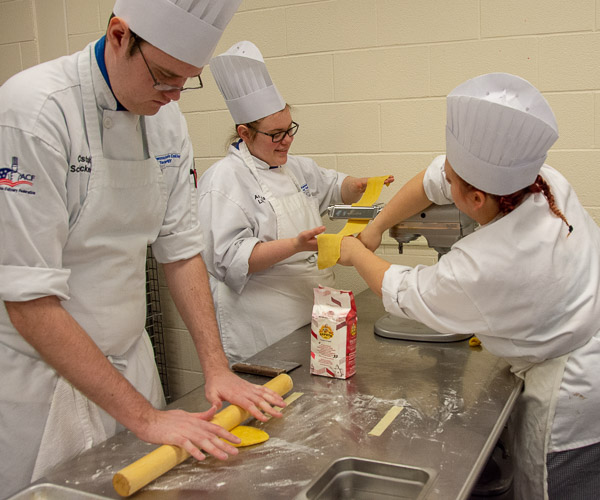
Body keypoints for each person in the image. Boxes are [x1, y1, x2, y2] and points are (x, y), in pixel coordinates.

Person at [0, 2, 287, 496]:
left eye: (186, 81)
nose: (174, 96)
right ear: (118, 35)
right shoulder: (35, 111)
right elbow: (29, 301)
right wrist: (147, 418)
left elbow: (180, 251)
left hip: (131, 364)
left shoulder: (165, 120)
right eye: (164, 77)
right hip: (43, 383)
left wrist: (216, 367)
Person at [338, 73, 600, 499]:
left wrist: (354, 252)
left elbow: (404, 292)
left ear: (475, 199)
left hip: (573, 402)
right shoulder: (543, 181)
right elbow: (431, 181)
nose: (446, 179)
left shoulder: (485, 263)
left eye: (454, 181)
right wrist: (378, 226)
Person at [197, 41, 392, 363]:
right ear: (244, 134)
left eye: (290, 130)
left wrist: (357, 186)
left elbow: (332, 187)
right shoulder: (222, 181)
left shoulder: (295, 166)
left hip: (317, 314)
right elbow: (230, 259)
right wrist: (296, 245)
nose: (286, 140)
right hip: (263, 327)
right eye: (275, 134)